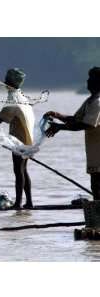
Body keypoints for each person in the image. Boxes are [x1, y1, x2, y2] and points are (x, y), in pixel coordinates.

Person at [44, 67, 100, 200]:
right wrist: (57, 115)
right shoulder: (90, 101)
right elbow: (76, 120)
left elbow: (87, 125)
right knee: (95, 186)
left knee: (98, 187)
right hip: (94, 153)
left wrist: (60, 127)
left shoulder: (98, 102)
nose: (88, 81)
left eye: (92, 79)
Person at [0, 68, 35, 209]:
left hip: (19, 140)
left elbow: (0, 118)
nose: (4, 82)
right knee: (24, 169)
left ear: (11, 82)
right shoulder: (22, 96)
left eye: (7, 80)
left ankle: (18, 204)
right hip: (28, 139)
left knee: (18, 170)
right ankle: (29, 202)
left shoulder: (13, 98)